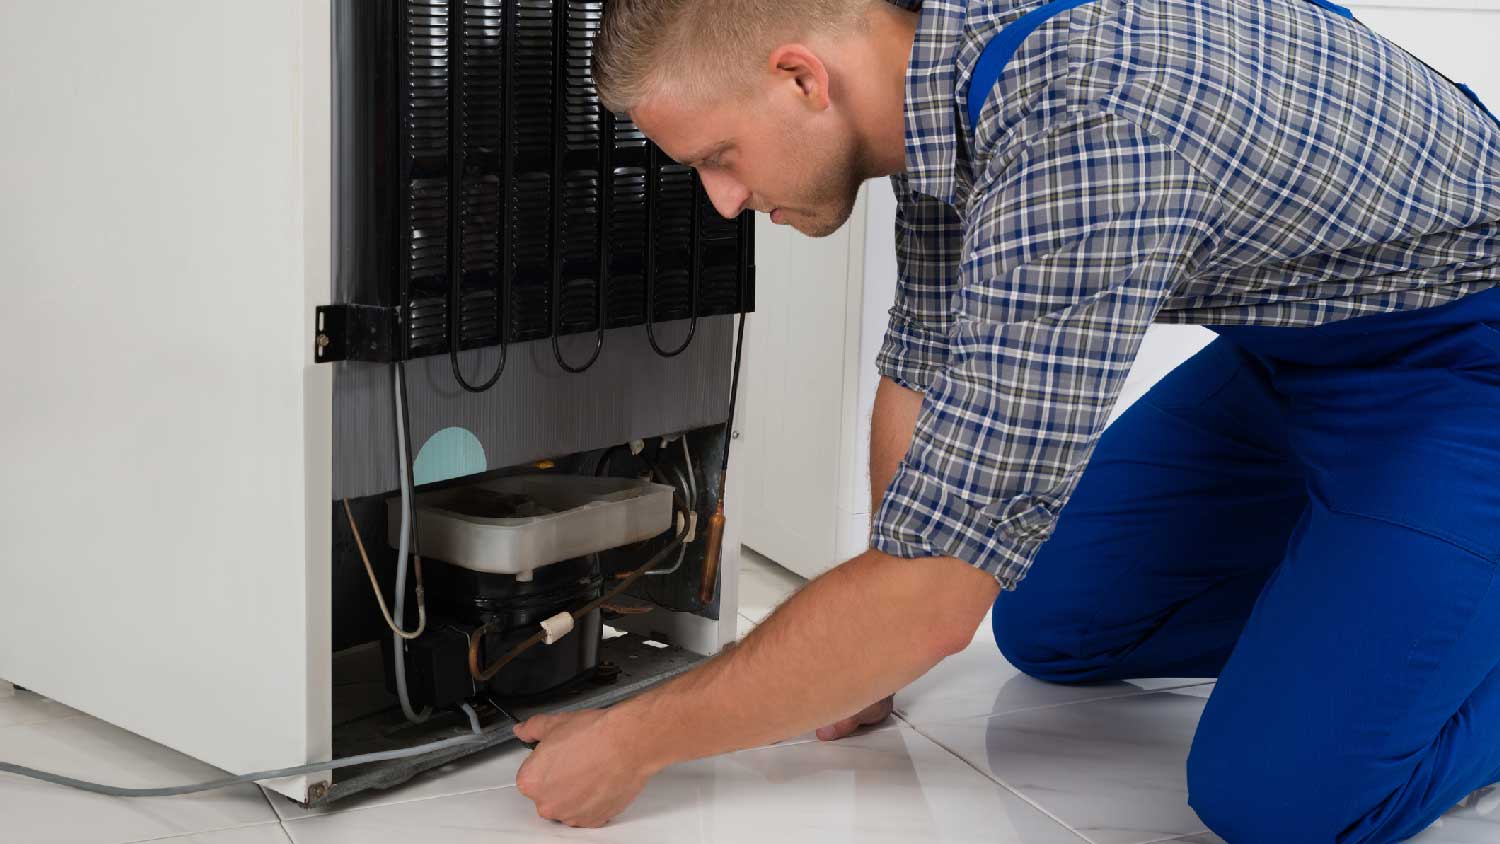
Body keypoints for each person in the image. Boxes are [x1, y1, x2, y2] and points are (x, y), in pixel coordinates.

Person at [512, 0, 1500, 839]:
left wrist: (639, 737)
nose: (722, 201)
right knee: (1053, 619)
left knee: (1278, 797)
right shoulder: (940, 68)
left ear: (803, 79)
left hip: (1466, 358)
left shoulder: (1084, 131)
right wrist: (854, 655)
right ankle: (1388, 590)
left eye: (719, 156)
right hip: (1300, 348)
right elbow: (923, 368)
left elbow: (933, 600)